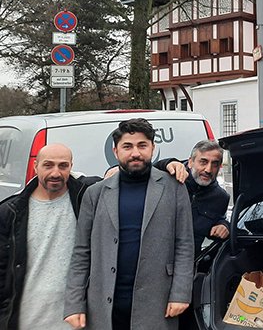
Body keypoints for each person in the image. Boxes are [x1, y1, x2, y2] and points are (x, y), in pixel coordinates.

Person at [64, 118, 194, 330]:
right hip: (104, 305)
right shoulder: (95, 193)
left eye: (142, 145)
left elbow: (184, 245)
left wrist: (180, 293)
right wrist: (74, 303)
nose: (135, 153)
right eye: (127, 146)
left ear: (153, 148)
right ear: (116, 152)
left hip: (157, 301)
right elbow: (81, 251)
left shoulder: (174, 188)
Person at [0, 144, 102, 330]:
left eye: (63, 166)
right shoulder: (10, 212)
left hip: (77, 321)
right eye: (48, 165)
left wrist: (168, 163)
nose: (55, 172)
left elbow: (134, 170)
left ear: (72, 167)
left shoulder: (85, 198)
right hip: (26, 321)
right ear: (35, 166)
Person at [155, 140, 230, 256]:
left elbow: (217, 222)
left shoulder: (221, 198)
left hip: (187, 262)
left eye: (214, 164)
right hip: (153, 258)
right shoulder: (171, 177)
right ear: (190, 162)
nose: (208, 169)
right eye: (203, 162)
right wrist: (167, 163)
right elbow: (145, 173)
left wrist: (224, 226)